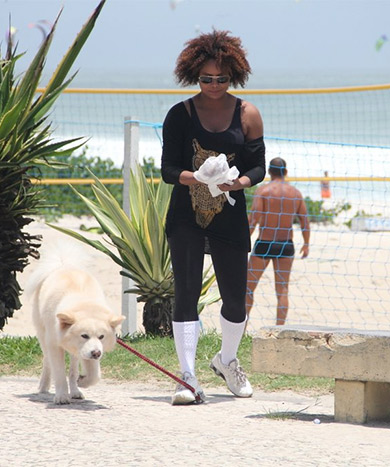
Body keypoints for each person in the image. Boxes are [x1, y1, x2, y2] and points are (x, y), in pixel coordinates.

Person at [161, 30, 266, 405]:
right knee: (186, 293)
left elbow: (258, 168)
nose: (214, 85)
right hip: (186, 214)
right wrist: (196, 177)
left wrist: (236, 182)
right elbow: (168, 169)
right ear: (194, 76)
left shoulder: (248, 114)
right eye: (207, 78)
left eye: (222, 78)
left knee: (236, 298)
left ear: (233, 75)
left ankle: (227, 359)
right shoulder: (180, 114)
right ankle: (187, 376)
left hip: (230, 215)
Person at [246, 157, 310, 326]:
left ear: (269, 172)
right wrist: (306, 243)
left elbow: (253, 219)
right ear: (286, 172)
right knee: (282, 290)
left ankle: (241, 328)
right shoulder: (295, 193)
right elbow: (304, 221)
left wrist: (244, 240)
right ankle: (279, 329)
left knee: (248, 288)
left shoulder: (264, 191)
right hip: (285, 245)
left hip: (265, 244)